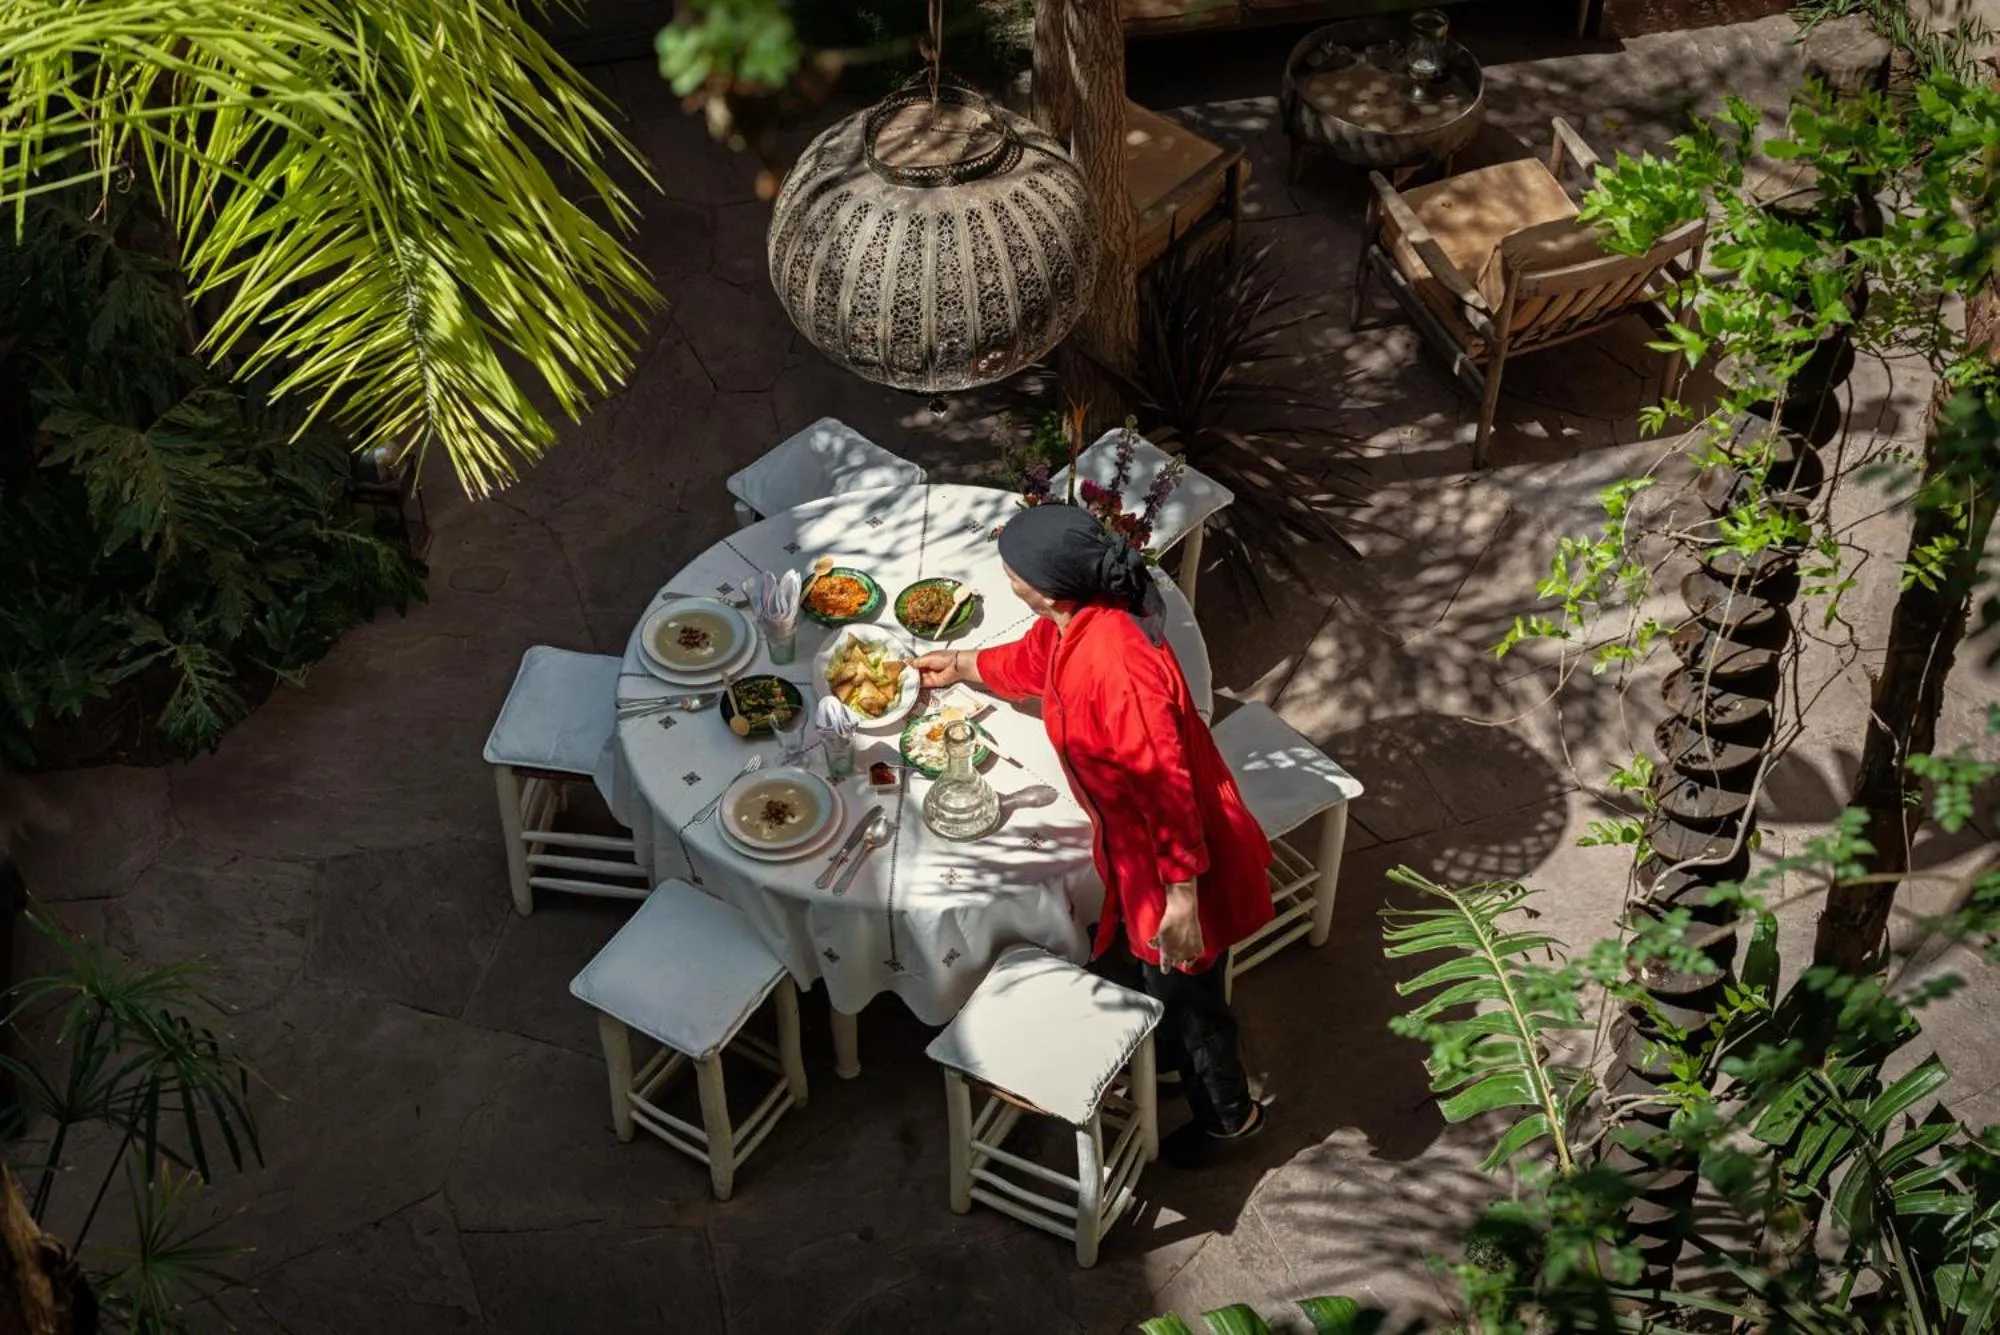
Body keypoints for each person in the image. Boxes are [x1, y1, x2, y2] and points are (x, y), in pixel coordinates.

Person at [912, 502, 1273, 1167]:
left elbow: (1166, 787)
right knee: (1165, 982)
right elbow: (1034, 660)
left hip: (1178, 864)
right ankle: (1170, 1061)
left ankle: (1230, 1118)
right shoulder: (1077, 619)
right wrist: (961, 664)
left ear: (1046, 588)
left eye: (1013, 570)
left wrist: (1182, 900)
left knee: (1190, 998)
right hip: (1140, 853)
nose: (1006, 577)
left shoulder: (1118, 666)